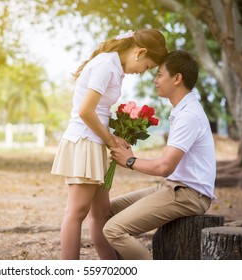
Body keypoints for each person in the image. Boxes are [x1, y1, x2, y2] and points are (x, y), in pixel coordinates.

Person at [51, 29, 168, 260]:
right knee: (77, 212)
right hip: (84, 140)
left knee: (102, 213)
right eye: (146, 66)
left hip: (96, 143)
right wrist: (111, 140)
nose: (142, 72)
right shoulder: (106, 65)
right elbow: (86, 111)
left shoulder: (114, 67)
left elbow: (100, 111)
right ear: (140, 52)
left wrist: (113, 136)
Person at [105, 50, 216, 260]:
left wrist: (130, 160)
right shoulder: (182, 110)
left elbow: (164, 167)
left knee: (113, 229)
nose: (155, 80)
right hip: (172, 187)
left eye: (159, 74)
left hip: (189, 195)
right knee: (106, 211)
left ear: (177, 78)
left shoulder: (189, 115)